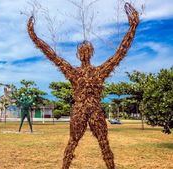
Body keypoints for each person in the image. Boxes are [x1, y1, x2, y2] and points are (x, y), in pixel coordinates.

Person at [27, 3, 139, 169]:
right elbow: (119, 53)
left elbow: (120, 52)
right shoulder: (90, 72)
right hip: (86, 110)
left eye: (86, 50)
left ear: (82, 54)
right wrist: (34, 36)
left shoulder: (80, 72)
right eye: (84, 50)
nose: (85, 53)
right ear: (83, 53)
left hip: (89, 110)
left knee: (97, 143)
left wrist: (132, 28)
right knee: (85, 143)